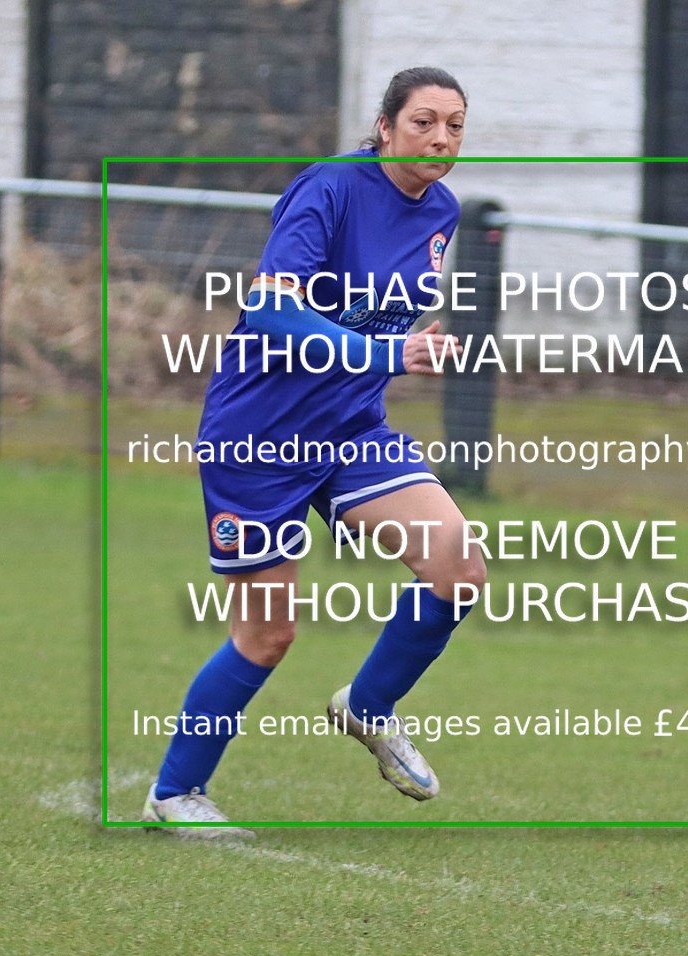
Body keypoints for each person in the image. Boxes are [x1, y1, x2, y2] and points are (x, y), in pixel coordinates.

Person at [142, 66, 486, 837]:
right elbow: (271, 313)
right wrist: (387, 354)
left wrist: (398, 348)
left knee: (458, 565)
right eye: (425, 120)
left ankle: (370, 707)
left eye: (456, 125)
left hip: (349, 428)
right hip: (257, 437)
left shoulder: (442, 211)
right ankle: (174, 793)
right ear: (386, 125)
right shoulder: (330, 188)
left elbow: (371, 323)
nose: (440, 137)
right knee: (269, 635)